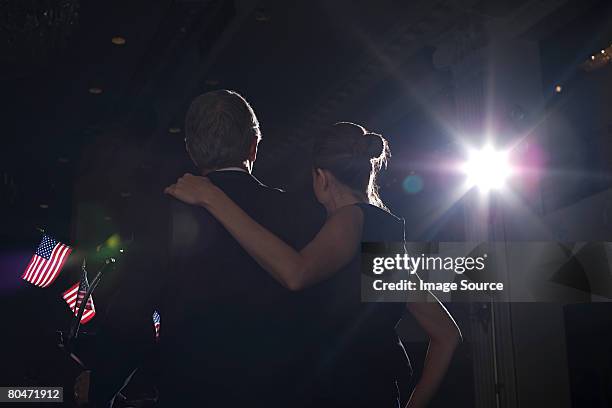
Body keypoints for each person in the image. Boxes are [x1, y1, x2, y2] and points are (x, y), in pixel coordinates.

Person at [165, 121, 462, 407]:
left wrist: (212, 198)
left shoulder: (350, 219)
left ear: (321, 177)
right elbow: (446, 335)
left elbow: (296, 273)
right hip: (380, 395)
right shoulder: (383, 232)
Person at [77, 90, 323, 407]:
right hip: (282, 393)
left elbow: (131, 318)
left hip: (191, 390)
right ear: (254, 146)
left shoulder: (162, 214)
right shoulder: (297, 213)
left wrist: (100, 387)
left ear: (192, 150)